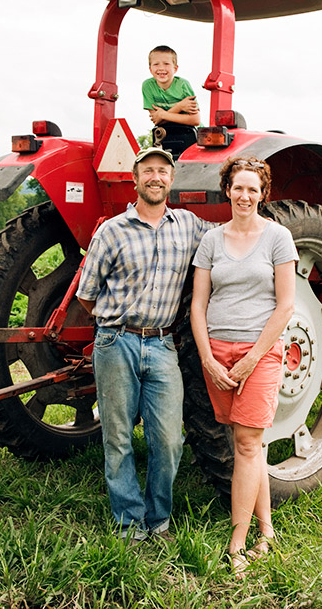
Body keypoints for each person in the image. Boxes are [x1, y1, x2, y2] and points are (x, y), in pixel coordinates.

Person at [76, 146, 211, 542]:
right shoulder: (112, 230)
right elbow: (87, 294)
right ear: (135, 180)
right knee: (117, 437)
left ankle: (159, 519)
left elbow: (230, 236)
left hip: (162, 345)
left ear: (171, 180)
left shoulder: (188, 225)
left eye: (163, 172)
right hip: (116, 341)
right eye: (147, 171)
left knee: (169, 439)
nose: (156, 177)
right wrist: (112, 325)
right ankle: (130, 524)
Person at [190, 156, 298, 577]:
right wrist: (207, 358)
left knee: (248, 444)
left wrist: (254, 356)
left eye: (253, 189)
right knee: (247, 444)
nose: (245, 195)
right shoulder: (212, 241)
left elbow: (286, 305)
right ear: (228, 190)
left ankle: (237, 543)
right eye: (238, 187)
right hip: (217, 352)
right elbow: (198, 305)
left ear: (263, 193)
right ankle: (267, 530)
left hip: (261, 352)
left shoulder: (278, 237)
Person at [142, 45, 200, 158]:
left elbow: (195, 119)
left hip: (190, 135)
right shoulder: (147, 86)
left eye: (166, 64)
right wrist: (179, 106)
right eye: (156, 64)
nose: (161, 68)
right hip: (166, 136)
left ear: (175, 68)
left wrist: (163, 114)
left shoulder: (183, 85)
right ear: (150, 69)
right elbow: (157, 121)